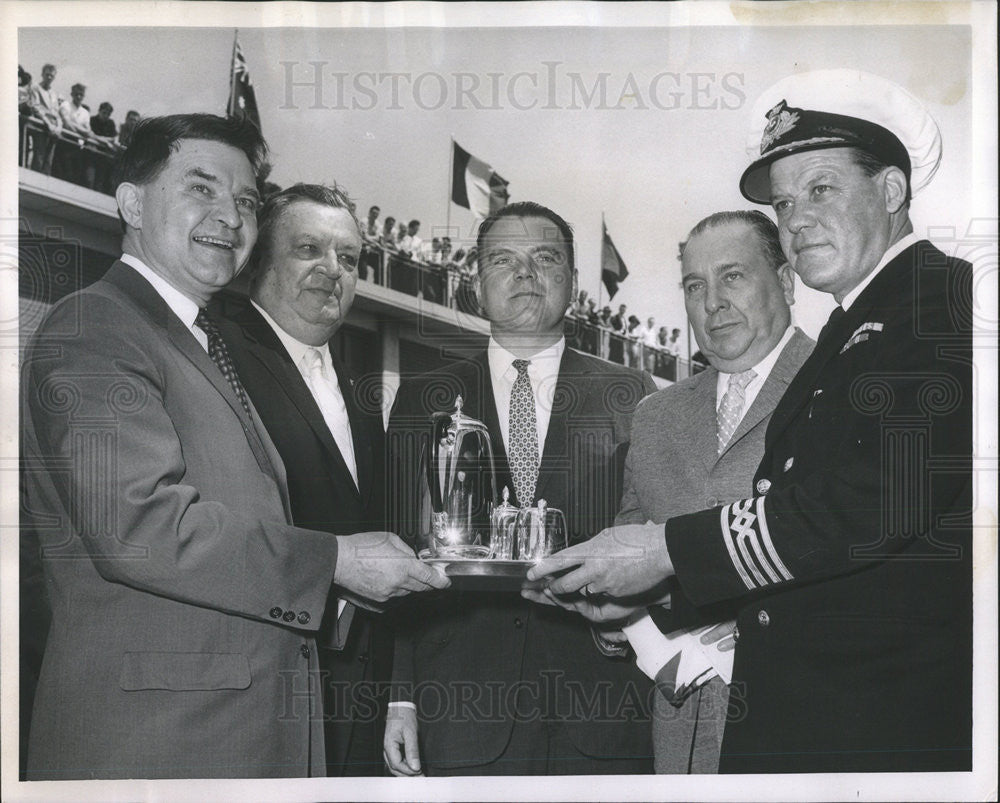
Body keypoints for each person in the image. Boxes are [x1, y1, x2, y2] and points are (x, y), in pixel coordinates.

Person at [527, 70, 973, 774]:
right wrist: (650, 593)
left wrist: (667, 552)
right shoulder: (860, 326)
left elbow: (862, 504)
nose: (795, 219)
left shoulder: (941, 304)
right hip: (820, 720)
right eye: (786, 201)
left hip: (879, 727)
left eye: (820, 188)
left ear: (890, 190)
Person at [20, 114, 448, 780]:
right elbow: (138, 527)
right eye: (202, 188)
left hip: (235, 737)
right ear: (132, 202)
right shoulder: (96, 324)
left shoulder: (201, 343)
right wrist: (334, 559)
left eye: (245, 200)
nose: (230, 215)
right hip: (155, 746)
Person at [384, 201, 657, 776]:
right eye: (503, 259)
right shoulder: (424, 396)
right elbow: (400, 549)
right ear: (474, 285)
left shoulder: (633, 393)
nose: (526, 273)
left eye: (545, 258)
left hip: (601, 705)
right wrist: (401, 695)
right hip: (459, 706)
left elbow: (654, 539)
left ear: (574, 283)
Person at [568, 210, 814, 773]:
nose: (713, 302)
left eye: (733, 276)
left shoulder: (836, 384)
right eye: (695, 285)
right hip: (678, 729)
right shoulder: (655, 415)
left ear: (785, 282)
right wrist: (613, 616)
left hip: (801, 721)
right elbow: (630, 544)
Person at [212, 183, 396, 776]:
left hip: (353, 691)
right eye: (309, 249)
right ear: (260, 262)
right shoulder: (215, 355)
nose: (332, 270)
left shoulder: (357, 385)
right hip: (260, 684)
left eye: (348, 258)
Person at [28, 63, 61, 174]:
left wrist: (58, 127)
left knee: (48, 162)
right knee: (39, 159)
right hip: (41, 128)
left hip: (53, 131)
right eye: (47, 75)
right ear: (42, 74)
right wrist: (49, 124)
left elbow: (56, 112)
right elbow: (36, 107)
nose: (49, 77)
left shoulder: (54, 93)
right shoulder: (35, 88)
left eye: (52, 75)